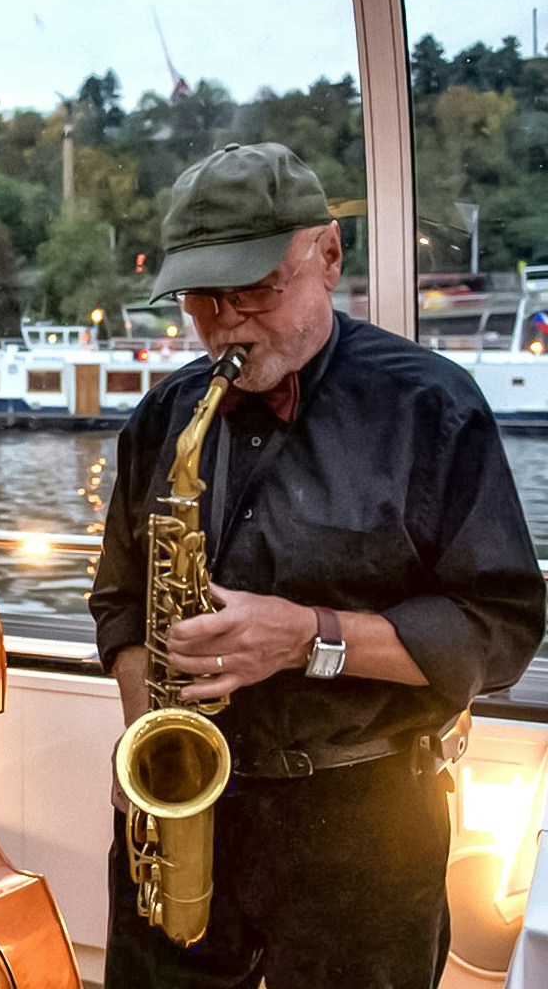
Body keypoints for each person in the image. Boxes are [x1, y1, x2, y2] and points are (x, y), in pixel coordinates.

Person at [90, 141, 546, 988]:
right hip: (186, 810)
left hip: (364, 825)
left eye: (256, 288)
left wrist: (307, 637)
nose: (226, 323)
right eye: (201, 299)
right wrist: (152, 738)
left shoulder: (430, 408)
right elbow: (120, 600)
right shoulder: (164, 416)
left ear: (328, 256)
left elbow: (501, 629)